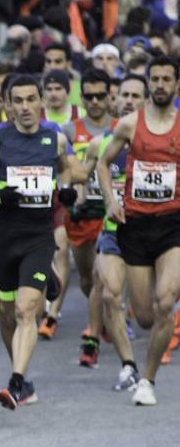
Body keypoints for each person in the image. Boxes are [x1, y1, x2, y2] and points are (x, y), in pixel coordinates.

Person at [0, 75, 83, 409]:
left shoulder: (55, 138)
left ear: (41, 100)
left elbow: (65, 168)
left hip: (39, 235)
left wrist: (66, 188)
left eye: (32, 99)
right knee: (7, 315)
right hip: (6, 237)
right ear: (9, 105)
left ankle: (16, 382)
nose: (26, 107)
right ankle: (21, 374)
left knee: (25, 310)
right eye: (19, 101)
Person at [94, 56, 180, 406]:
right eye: (155, 79)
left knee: (165, 300)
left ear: (176, 85)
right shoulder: (130, 124)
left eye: (166, 79)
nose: (160, 85)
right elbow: (102, 162)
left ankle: (147, 379)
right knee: (145, 316)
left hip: (173, 223)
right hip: (136, 224)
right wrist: (110, 200)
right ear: (149, 83)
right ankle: (143, 360)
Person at [45, 68, 115, 344]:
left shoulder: (120, 127)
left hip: (112, 211)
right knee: (87, 277)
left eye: (100, 95)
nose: (95, 101)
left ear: (109, 96)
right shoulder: (70, 130)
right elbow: (62, 171)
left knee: (105, 275)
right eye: (89, 96)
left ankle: (101, 324)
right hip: (82, 214)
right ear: (82, 98)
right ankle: (104, 316)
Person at [82, 74, 143, 389]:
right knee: (109, 294)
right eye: (125, 95)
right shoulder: (101, 142)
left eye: (136, 95)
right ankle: (128, 365)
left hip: (153, 231)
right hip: (113, 230)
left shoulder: (162, 140)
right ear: (115, 100)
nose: (129, 100)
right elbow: (81, 175)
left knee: (151, 309)